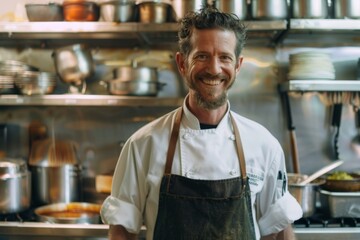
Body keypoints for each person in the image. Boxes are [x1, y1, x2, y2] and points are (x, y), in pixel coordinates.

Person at [100, 6, 302, 240]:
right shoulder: (142, 145)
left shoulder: (264, 145)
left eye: (225, 57)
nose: (214, 69)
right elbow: (121, 232)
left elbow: (278, 232)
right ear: (182, 63)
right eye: (202, 56)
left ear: (238, 65)